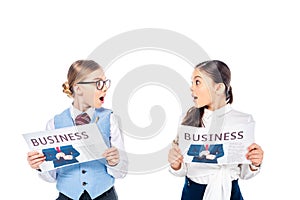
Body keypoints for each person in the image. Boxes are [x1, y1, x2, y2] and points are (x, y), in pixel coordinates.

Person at [27, 60, 127, 200]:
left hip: (104, 195)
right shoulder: (54, 124)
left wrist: (115, 162)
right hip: (67, 196)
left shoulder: (110, 119)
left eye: (105, 83)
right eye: (98, 83)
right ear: (78, 88)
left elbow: (121, 172)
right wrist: (40, 165)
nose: (104, 88)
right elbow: (51, 177)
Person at [168, 60, 264, 200]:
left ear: (218, 88)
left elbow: (244, 174)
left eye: (198, 82)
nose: (191, 87)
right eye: (192, 82)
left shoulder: (243, 121)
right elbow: (182, 171)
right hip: (194, 193)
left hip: (231, 192)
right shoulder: (187, 119)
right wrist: (176, 164)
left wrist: (255, 163)